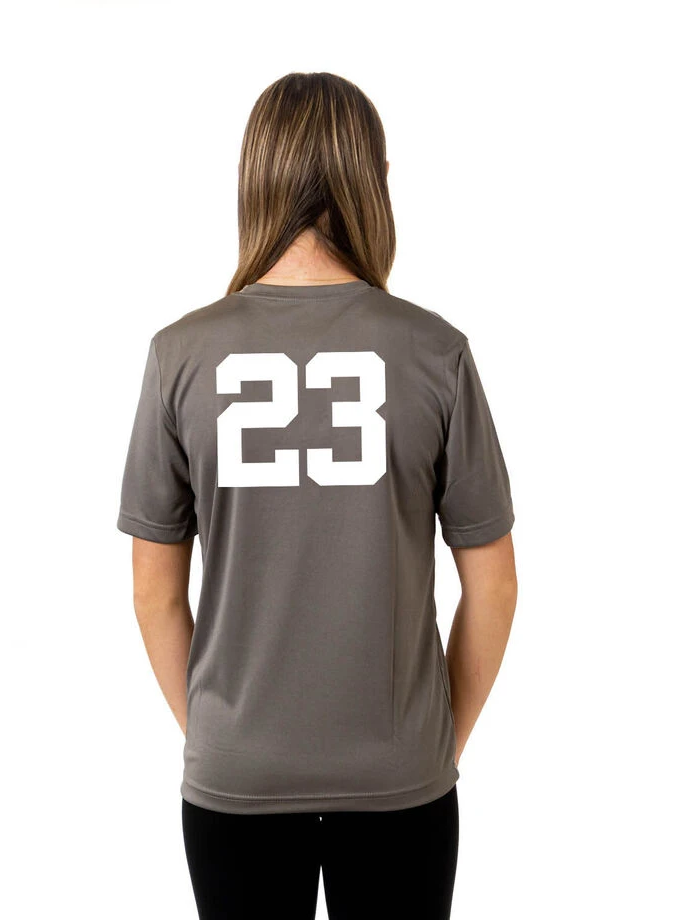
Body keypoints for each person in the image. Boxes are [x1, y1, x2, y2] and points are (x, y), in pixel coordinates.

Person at [116, 71, 518, 920]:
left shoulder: (179, 356)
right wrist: (432, 744)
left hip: (236, 781)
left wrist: (221, 737)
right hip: (401, 779)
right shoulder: (435, 352)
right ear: (373, 178)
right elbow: (495, 585)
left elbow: (154, 592)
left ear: (253, 176)